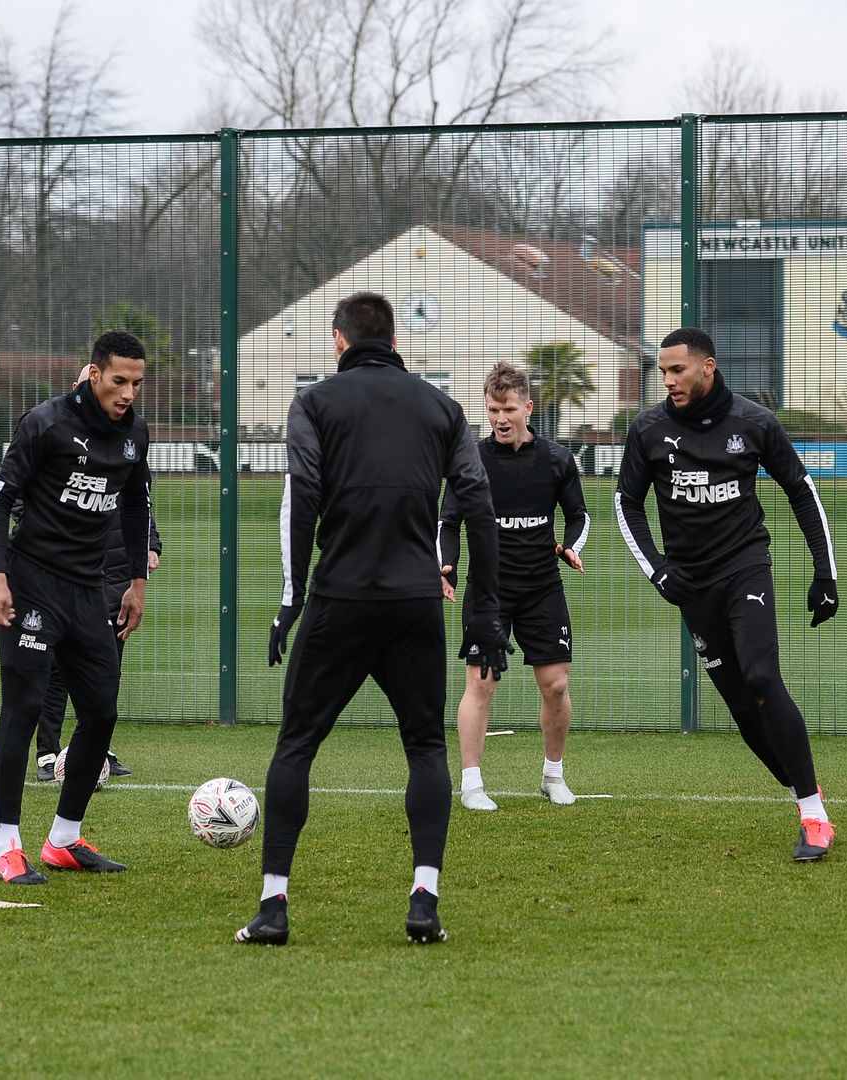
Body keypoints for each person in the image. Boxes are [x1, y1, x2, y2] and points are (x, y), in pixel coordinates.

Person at [235, 292, 506, 947]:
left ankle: (274, 907)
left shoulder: (316, 403)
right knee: (425, 749)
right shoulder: (442, 408)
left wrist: (292, 598)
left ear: (338, 341)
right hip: (416, 603)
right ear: (392, 339)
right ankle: (425, 901)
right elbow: (477, 506)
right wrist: (485, 612)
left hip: (341, 600)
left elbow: (302, 497)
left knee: (296, 745)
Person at [613, 327, 842, 862]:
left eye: (677, 370)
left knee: (762, 677)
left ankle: (814, 816)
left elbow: (802, 492)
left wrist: (824, 574)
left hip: (745, 569)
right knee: (742, 707)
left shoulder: (754, 422)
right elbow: (627, 504)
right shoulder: (647, 429)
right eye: (663, 371)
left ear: (707, 367)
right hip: (691, 585)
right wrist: (659, 570)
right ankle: (801, 793)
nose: (667, 380)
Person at [0, 331, 152, 885]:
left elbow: (134, 509)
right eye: (119, 381)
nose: (127, 393)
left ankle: (63, 840)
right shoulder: (48, 423)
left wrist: (136, 584)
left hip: (86, 593)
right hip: (30, 586)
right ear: (95, 374)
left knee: (101, 711)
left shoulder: (135, 435)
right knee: (25, 706)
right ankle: (6, 847)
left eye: (136, 384)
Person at [438, 360, 589, 811]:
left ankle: (553, 775)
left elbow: (579, 516)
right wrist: (445, 564)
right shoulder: (471, 461)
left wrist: (570, 546)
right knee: (481, 683)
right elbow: (448, 521)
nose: (500, 418)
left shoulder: (557, 460)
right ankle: (471, 784)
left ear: (527, 407)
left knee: (556, 685)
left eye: (508, 409)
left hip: (542, 587)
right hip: (488, 592)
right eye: (491, 410)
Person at [30, 364, 163, 782]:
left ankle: (97, 750)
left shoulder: (125, 441)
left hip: (117, 571)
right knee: (56, 670)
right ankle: (48, 753)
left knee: (106, 667)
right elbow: (19, 497)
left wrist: (151, 547)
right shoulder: (54, 438)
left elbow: (139, 503)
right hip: (67, 572)